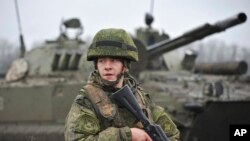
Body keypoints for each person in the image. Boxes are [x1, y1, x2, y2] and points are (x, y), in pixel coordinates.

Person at [64, 28, 180, 141]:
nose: (107, 66)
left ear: (125, 66)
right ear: (96, 65)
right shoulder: (87, 99)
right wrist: (126, 135)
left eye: (113, 60)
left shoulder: (139, 96)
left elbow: (171, 133)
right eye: (102, 61)